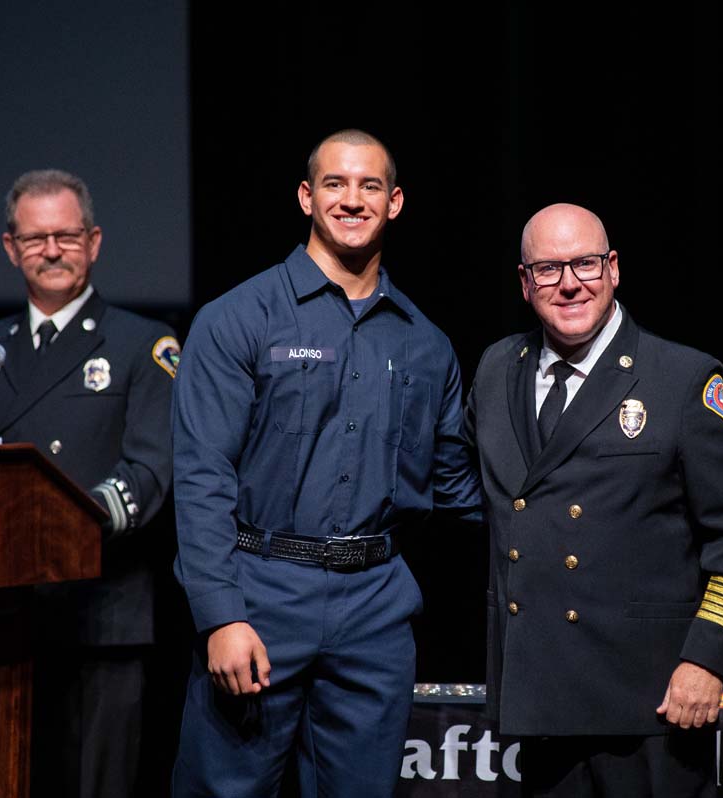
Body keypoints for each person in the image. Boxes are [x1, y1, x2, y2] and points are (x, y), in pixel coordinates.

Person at [170, 129, 480, 797]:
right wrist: (221, 616)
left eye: (370, 185)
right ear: (307, 197)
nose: (352, 199)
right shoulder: (239, 319)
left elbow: (459, 491)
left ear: (394, 203)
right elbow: (202, 478)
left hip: (375, 609)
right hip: (260, 594)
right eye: (335, 184)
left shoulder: (426, 344)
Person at [465, 203, 723, 797]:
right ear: (525, 283)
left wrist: (709, 659)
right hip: (538, 699)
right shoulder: (497, 367)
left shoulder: (681, 379)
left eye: (584, 263)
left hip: (649, 703)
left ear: (612, 270)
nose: (570, 283)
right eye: (549, 269)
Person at [0, 169, 178, 798]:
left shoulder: (144, 345)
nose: (52, 250)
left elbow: (151, 472)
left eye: (66, 236)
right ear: (10, 248)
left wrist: (59, 528)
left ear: (95, 241)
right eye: (35, 239)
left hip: (100, 619)